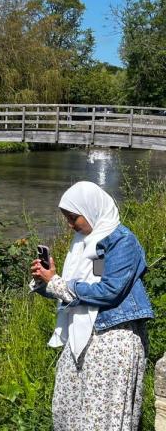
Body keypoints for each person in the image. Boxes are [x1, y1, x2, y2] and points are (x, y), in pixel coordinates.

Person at [30, 181, 153, 431]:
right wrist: (44, 281)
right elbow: (71, 291)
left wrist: (57, 283)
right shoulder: (83, 244)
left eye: (74, 217)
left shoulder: (122, 242)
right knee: (68, 411)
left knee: (102, 418)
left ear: (92, 210)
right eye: (67, 218)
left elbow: (109, 291)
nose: (70, 224)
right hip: (82, 338)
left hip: (112, 341)